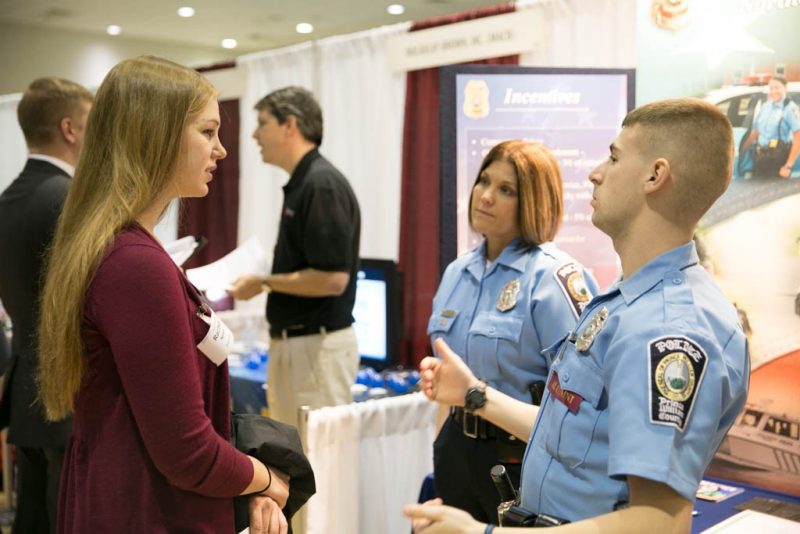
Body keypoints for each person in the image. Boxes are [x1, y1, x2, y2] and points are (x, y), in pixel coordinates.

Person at [404, 98, 750, 533]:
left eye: (614, 156)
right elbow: (570, 433)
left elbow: (658, 523)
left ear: (654, 176)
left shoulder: (668, 327)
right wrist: (474, 394)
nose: (595, 172)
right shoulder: (627, 302)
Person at [36, 56, 289, 534]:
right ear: (155, 133)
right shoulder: (135, 265)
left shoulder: (119, 249)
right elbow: (187, 452)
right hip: (150, 511)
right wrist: (268, 480)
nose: (221, 150)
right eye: (207, 132)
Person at [428, 140, 597, 523]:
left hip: (521, 456)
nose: (485, 196)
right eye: (484, 181)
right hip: (457, 448)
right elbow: (448, 379)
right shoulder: (458, 272)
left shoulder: (553, 278)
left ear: (534, 201)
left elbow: (580, 400)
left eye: (506, 190)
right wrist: (440, 447)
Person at [229, 86, 361, 426]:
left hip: (315, 349)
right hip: (300, 347)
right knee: (296, 459)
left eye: (262, 123)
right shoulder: (305, 182)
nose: (255, 134)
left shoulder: (321, 185)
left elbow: (332, 279)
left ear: (290, 125)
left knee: (318, 462)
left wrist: (263, 283)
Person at [0, 77, 93, 534]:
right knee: (66, 516)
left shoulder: (7, 200)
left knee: (33, 516)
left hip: (25, 385)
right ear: (70, 129)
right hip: (69, 385)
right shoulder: (69, 199)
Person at [741, 76, 800, 178]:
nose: (773, 91)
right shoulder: (765, 107)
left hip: (779, 160)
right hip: (761, 158)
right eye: (771, 88)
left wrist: (788, 166)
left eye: (777, 87)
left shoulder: (790, 108)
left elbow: (798, 138)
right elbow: (756, 132)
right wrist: (742, 149)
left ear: (785, 87)